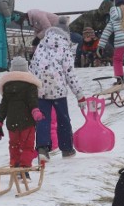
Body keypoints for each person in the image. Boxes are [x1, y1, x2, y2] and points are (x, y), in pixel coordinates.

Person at [29, 17, 86, 160]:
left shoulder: (41, 44)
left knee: (43, 119)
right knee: (63, 119)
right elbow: (69, 72)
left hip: (40, 88)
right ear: (66, 34)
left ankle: (42, 148)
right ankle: (66, 148)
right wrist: (80, 95)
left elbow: (33, 67)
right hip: (58, 88)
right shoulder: (65, 47)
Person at [0, 57, 43, 170]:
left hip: (12, 122)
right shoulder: (30, 85)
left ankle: (15, 165)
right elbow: (32, 101)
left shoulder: (7, 86)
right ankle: (25, 168)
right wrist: (35, 111)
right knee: (27, 145)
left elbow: (4, 105)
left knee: (14, 145)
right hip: (27, 121)